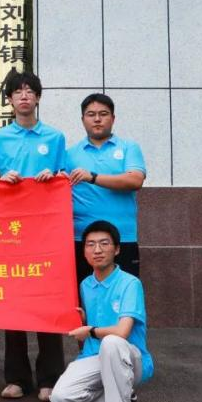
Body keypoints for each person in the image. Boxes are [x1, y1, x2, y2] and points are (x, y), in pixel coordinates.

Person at [0, 71, 67, 402]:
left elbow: (64, 177)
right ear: (10, 100)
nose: (24, 96)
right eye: (18, 92)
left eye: (30, 91)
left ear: (38, 98)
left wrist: (53, 176)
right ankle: (16, 378)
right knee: (13, 303)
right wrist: (1, 178)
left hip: (46, 233)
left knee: (48, 302)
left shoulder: (55, 137)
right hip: (10, 233)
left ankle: (50, 378)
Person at [49, 220, 154, 402]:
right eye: (90, 244)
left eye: (104, 244)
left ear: (117, 249)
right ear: (84, 251)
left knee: (112, 343)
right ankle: (115, 399)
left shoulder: (130, 284)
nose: (97, 250)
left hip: (129, 357)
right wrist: (84, 319)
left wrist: (90, 330)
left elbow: (122, 331)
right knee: (60, 398)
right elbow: (96, 318)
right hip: (94, 356)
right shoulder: (85, 285)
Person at [66, 93, 146, 285]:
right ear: (82, 119)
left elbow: (135, 180)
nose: (97, 119)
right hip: (82, 239)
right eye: (91, 114)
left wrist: (93, 177)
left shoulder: (128, 148)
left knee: (123, 293)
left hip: (122, 238)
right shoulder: (69, 154)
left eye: (103, 114)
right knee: (84, 296)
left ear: (113, 118)